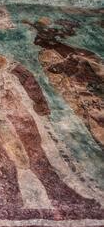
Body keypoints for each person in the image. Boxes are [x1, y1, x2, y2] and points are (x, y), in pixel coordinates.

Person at [0, 15, 100, 211]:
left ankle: (56, 189)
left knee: (33, 144)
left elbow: (23, 73)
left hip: (10, 104)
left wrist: (38, 99)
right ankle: (8, 192)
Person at [24, 18, 103, 148]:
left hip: (93, 87)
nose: (41, 41)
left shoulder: (76, 50)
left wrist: (80, 65)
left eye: (47, 36)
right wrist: (67, 69)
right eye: (41, 38)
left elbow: (95, 62)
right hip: (81, 94)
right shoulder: (46, 55)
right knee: (94, 120)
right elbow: (54, 76)